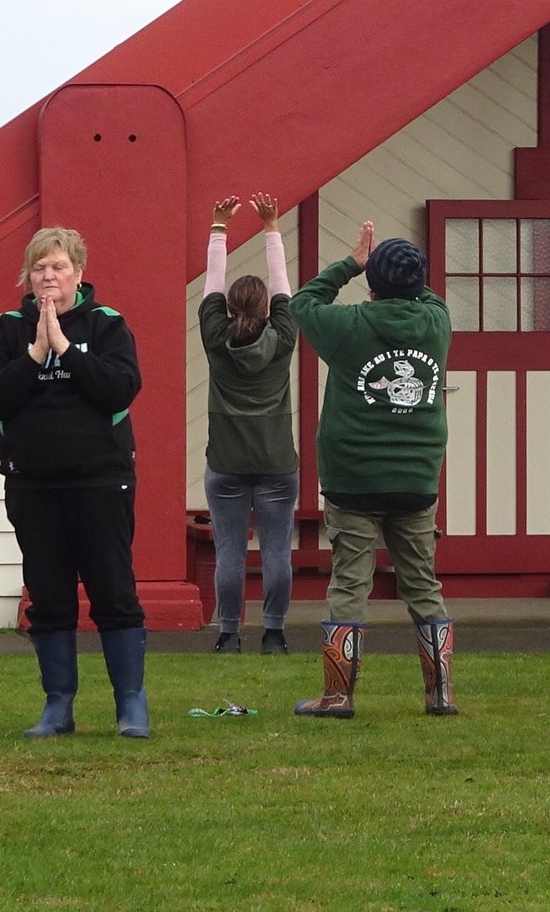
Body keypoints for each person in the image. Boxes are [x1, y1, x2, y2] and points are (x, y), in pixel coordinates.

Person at [0, 225, 149, 738]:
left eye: (59, 267)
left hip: (101, 481)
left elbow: (118, 390)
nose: (48, 276)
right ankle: (58, 706)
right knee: (49, 597)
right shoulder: (7, 328)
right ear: (28, 276)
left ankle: (130, 705)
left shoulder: (107, 324)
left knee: (114, 592)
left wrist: (66, 350)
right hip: (32, 483)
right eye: (39, 268)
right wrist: (33, 354)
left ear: (79, 273)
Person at [288, 221, 456, 719]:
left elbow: (302, 303)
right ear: (419, 280)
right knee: (423, 584)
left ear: (373, 282)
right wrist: (399, 270)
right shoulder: (437, 322)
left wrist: (352, 263)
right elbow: (421, 292)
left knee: (349, 585)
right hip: (417, 479)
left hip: (352, 478)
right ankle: (440, 693)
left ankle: (338, 696)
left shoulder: (347, 326)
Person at [199, 195, 298, 655]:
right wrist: (271, 227)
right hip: (277, 460)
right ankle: (274, 634)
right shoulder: (282, 338)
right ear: (267, 311)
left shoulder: (215, 338)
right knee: (277, 550)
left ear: (229, 308)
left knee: (229, 552)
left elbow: (211, 286)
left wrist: (219, 227)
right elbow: (283, 286)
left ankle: (228, 634)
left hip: (225, 462)